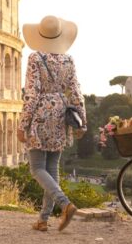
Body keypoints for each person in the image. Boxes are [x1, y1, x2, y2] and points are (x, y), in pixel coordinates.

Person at [17, 15, 87, 232]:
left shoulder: (36, 58)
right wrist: (82, 121)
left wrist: (23, 123)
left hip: (40, 113)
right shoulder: (68, 60)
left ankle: (65, 204)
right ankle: (43, 219)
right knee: (51, 167)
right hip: (60, 112)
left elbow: (32, 93)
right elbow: (76, 92)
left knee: (37, 168)